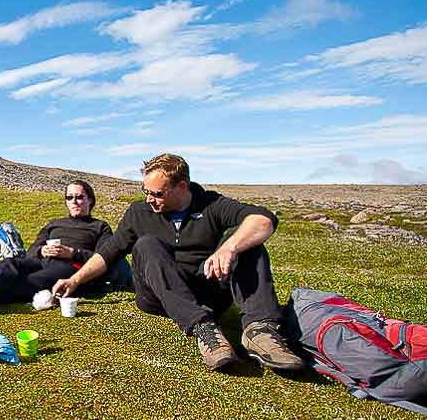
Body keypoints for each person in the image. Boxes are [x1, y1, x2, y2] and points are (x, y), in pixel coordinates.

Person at [53, 154, 303, 372]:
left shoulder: (211, 204)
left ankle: (261, 331)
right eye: (146, 191)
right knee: (146, 244)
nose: (149, 199)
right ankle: (203, 329)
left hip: (209, 291)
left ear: (182, 186)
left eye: (157, 193)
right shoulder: (139, 212)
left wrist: (229, 247)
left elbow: (263, 220)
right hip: (158, 296)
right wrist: (74, 280)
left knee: (247, 241)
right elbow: (109, 253)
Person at [0, 180, 130, 303]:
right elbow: (32, 250)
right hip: (42, 260)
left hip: (72, 267)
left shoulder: (99, 226)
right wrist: (41, 251)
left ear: (90, 200)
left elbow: (104, 259)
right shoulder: (54, 224)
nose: (75, 201)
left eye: (80, 197)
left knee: (33, 280)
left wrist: (72, 253)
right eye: (70, 197)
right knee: (13, 264)